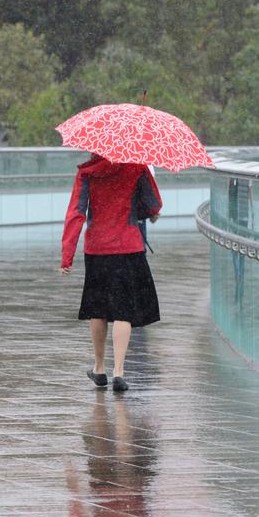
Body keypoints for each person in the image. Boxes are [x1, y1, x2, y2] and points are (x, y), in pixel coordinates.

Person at [60, 154, 162, 392]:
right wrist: (143, 211)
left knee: (98, 309)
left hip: (97, 248)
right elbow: (153, 205)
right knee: (123, 310)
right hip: (128, 247)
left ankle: (99, 368)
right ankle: (119, 371)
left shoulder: (86, 173)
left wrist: (67, 255)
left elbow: (76, 213)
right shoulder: (138, 169)